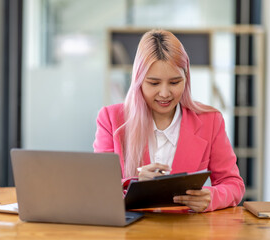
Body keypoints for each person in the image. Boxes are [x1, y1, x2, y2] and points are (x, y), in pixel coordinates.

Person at [93, 29, 245, 212]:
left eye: (174, 83)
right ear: (138, 81)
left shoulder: (210, 121)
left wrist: (211, 197)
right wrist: (135, 184)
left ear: (186, 79)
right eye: (154, 83)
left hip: (186, 230)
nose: (165, 94)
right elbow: (99, 187)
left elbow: (233, 184)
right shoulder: (111, 119)